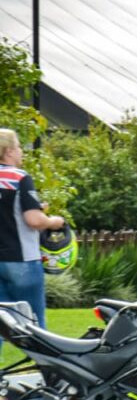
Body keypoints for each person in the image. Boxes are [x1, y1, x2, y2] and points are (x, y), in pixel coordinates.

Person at [0, 129, 67, 329]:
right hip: (21, 259)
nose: (21, 151)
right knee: (33, 324)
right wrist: (54, 221)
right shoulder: (19, 177)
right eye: (19, 147)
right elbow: (34, 220)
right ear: (9, 151)